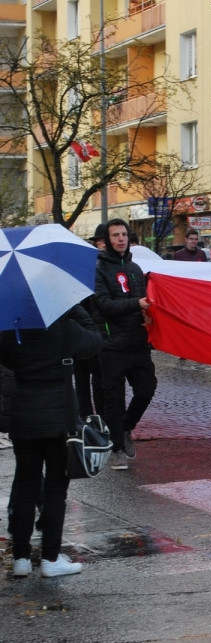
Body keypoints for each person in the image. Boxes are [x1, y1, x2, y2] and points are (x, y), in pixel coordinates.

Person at [2, 305, 102, 578]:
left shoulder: (10, 331)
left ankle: (21, 558)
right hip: (60, 420)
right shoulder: (63, 328)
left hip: (24, 416)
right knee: (56, 490)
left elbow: (9, 362)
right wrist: (78, 309)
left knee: (25, 485)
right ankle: (50, 558)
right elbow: (94, 341)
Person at [93, 218, 157, 471]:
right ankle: (116, 447)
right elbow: (104, 305)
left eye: (124, 234)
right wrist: (136, 305)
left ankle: (126, 427)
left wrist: (147, 315)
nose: (121, 239)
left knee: (146, 389)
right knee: (113, 399)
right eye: (115, 235)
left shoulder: (134, 268)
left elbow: (142, 300)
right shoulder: (98, 269)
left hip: (137, 343)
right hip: (111, 345)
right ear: (107, 240)